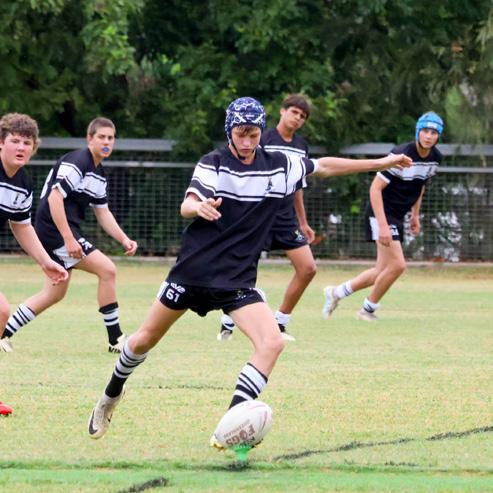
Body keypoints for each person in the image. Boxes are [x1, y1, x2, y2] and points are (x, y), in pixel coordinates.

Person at [87, 97, 412, 444]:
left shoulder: (280, 165)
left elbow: (326, 166)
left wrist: (383, 162)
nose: (246, 141)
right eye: (240, 133)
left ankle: (228, 426)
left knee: (272, 342)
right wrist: (199, 207)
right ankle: (110, 395)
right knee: (143, 340)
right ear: (229, 131)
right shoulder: (213, 163)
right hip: (194, 271)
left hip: (237, 279)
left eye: (253, 134)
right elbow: (187, 203)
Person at [0, 117, 138, 354]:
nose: (106, 142)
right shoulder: (78, 162)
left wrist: (123, 238)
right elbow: (55, 198)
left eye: (110, 138)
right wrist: (68, 238)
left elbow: (102, 211)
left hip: (56, 233)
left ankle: (5, 332)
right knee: (107, 270)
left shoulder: (26, 183)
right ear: (89, 139)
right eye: (101, 137)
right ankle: (115, 339)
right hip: (54, 231)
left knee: (53, 293)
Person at [322, 111, 443, 321]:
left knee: (381, 271)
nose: (428, 136)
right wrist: (383, 225)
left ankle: (336, 292)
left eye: (434, 132)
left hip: (398, 215)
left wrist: (415, 215)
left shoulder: (435, 158)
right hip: (381, 213)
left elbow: (420, 185)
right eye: (425, 130)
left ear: (438, 136)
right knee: (398, 265)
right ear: (418, 132)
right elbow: (375, 189)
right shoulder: (400, 154)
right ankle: (367, 310)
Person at [218, 94, 315, 342]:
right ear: (282, 111)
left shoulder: (301, 145)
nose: (297, 118)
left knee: (308, 268)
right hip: (258, 213)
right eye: (294, 112)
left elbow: (297, 186)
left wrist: (303, 221)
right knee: (241, 268)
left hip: (285, 218)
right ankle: (229, 320)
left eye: (302, 116)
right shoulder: (261, 136)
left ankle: (280, 322)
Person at [0, 113, 68, 410]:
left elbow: (22, 226)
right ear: (1, 143)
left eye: (26, 143)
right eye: (14, 141)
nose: (21, 147)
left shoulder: (23, 183)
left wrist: (45, 262)